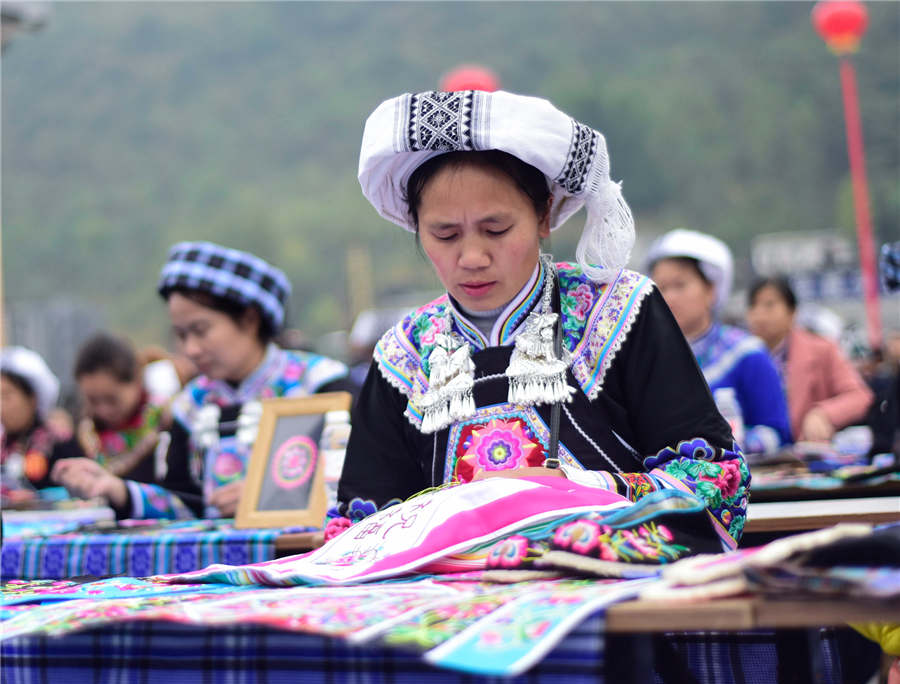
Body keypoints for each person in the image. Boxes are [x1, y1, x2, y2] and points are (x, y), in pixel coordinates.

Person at [333, 89, 751, 551]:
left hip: (615, 602)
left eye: (496, 230)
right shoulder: (404, 354)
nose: (471, 257)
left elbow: (714, 479)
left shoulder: (619, 311)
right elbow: (361, 524)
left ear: (544, 214)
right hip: (454, 610)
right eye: (444, 234)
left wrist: (577, 492)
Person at [54, 242, 353, 519]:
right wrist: (116, 489)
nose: (190, 349)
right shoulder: (191, 405)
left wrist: (267, 498)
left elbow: (362, 483)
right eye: (182, 335)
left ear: (250, 319)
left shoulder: (322, 385)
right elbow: (185, 502)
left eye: (201, 330)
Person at [646, 229, 791, 454]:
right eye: (661, 288)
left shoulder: (747, 354)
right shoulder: (645, 360)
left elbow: (777, 432)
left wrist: (725, 446)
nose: (669, 297)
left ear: (711, 290)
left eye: (680, 285)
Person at [746, 276, 873, 443]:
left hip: (806, 456)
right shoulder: (740, 356)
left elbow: (859, 396)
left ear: (792, 312)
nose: (760, 315)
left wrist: (823, 413)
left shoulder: (822, 350)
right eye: (753, 305)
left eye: (769, 305)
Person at [72, 332, 176, 484]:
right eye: (93, 401)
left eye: (112, 399)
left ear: (137, 379)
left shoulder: (165, 421)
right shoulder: (87, 434)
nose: (103, 410)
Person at [1, 346, 81, 494]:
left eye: (7, 396)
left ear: (32, 399)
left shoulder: (60, 443)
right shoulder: (3, 445)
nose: (1, 406)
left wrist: (38, 498)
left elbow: (81, 490)